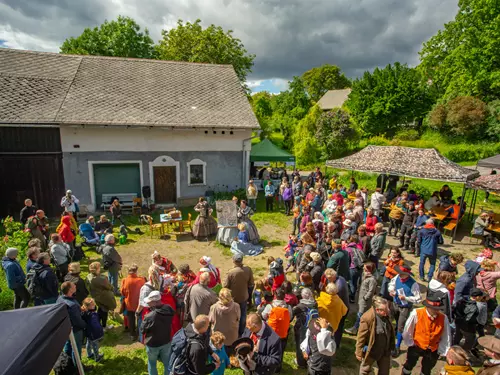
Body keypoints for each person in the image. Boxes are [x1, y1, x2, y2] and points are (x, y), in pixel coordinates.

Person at [401, 293, 451, 375]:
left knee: (427, 369)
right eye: (434, 309)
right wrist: (411, 343)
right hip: (417, 345)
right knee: (409, 364)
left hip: (433, 348)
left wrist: (443, 350)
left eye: (438, 309)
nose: (436, 311)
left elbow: (446, 336)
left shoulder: (443, 318)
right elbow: (407, 330)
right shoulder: (416, 313)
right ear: (428, 307)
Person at [388, 264, 422, 357]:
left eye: (402, 274)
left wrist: (406, 298)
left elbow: (418, 299)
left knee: (400, 326)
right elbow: (391, 284)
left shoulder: (413, 284)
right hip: (395, 304)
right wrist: (391, 291)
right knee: (390, 320)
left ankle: (397, 346)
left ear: (407, 274)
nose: (400, 275)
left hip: (405, 307)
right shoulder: (397, 277)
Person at [355, 296, 394, 375]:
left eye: (387, 308)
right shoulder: (367, 318)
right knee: (365, 370)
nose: (387, 311)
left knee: (384, 372)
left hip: (385, 351)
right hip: (372, 351)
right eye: (384, 310)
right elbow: (361, 337)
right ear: (377, 310)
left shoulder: (387, 315)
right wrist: (358, 353)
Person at [140, 290, 175, 375]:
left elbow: (142, 329)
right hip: (166, 341)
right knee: (167, 363)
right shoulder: (169, 308)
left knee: (152, 364)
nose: (148, 303)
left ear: (155, 302)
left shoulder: (150, 316)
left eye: (150, 302)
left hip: (153, 344)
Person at [223, 253, 254, 336]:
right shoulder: (248, 269)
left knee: (233, 315)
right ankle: (241, 331)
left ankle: (233, 331)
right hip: (244, 296)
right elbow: (251, 283)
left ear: (233, 261)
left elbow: (225, 286)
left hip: (233, 298)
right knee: (243, 314)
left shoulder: (231, 272)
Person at [58, 281, 87, 364]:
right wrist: (85, 325)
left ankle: (67, 363)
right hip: (75, 330)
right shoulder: (72, 305)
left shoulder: (60, 298)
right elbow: (78, 321)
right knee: (76, 349)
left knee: (67, 345)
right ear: (70, 290)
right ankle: (77, 367)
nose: (75, 285)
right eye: (73, 285)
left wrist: (79, 309)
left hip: (65, 328)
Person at [345, 262, 377, 335]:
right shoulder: (364, 275)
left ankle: (355, 328)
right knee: (361, 313)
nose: (363, 268)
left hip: (365, 300)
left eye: (365, 267)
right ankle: (363, 328)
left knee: (360, 313)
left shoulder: (372, 279)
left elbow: (371, 291)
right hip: (360, 297)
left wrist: (365, 298)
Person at [209, 288, 241, 352]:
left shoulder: (214, 307)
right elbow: (238, 318)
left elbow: (210, 320)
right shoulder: (236, 306)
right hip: (232, 336)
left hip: (218, 337)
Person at [86, 261, 116, 330]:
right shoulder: (101, 279)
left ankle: (98, 324)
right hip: (103, 296)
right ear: (97, 269)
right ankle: (104, 326)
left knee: (100, 309)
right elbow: (109, 287)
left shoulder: (89, 276)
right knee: (104, 310)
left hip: (95, 296)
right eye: (99, 267)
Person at [293, 287, 317, 368]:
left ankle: (301, 362)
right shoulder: (315, 303)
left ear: (302, 296)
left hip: (302, 328)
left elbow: (291, 316)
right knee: (309, 344)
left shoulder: (299, 306)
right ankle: (309, 359)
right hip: (312, 328)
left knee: (301, 345)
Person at [121, 264, 146, 340]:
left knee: (131, 319)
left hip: (129, 303)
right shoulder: (141, 280)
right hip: (139, 303)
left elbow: (122, 292)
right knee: (139, 319)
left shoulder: (125, 280)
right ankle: (139, 334)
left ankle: (132, 334)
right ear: (136, 271)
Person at [81, 297, 104, 362]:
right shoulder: (91, 315)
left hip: (89, 333)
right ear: (87, 307)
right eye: (92, 305)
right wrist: (100, 332)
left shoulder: (86, 313)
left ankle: (89, 354)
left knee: (88, 343)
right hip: (93, 333)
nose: (94, 306)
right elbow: (95, 325)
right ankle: (97, 357)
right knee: (95, 345)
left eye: (94, 304)